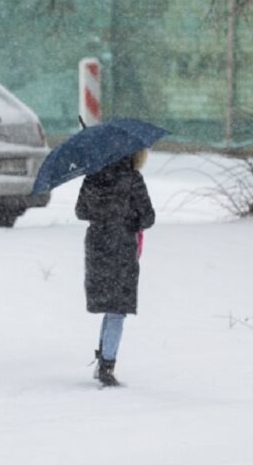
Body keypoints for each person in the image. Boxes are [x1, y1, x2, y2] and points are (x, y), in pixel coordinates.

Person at [75, 149, 155, 387]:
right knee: (117, 308)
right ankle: (107, 366)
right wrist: (130, 218)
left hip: (97, 243)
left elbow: (80, 211)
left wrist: (103, 213)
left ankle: (103, 360)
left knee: (110, 305)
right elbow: (148, 217)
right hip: (121, 245)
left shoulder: (91, 177)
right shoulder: (132, 179)